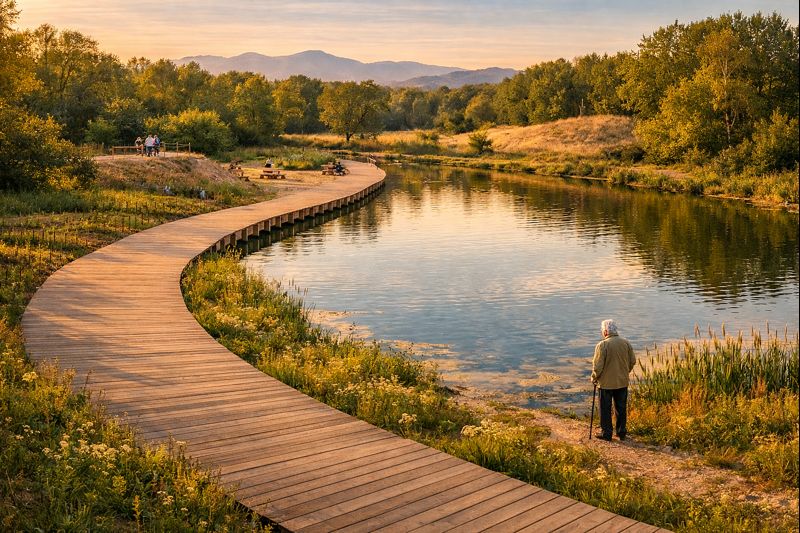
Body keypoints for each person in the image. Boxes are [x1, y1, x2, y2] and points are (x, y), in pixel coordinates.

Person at [591, 319, 636, 441]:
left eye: (602, 331)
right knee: (621, 407)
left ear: (605, 332)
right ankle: (621, 432)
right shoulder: (626, 343)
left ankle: (606, 433)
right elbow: (632, 361)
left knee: (605, 408)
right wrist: (625, 372)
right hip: (622, 382)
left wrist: (594, 377)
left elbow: (598, 366)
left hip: (605, 383)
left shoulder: (602, 345)